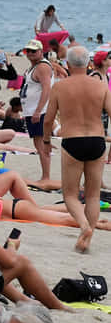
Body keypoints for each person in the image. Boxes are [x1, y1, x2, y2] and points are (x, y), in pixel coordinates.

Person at [43, 45, 111, 252]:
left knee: (71, 195)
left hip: (72, 141)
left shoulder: (60, 87)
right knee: (93, 195)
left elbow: (48, 119)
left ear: (67, 64)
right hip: (97, 140)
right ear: (89, 64)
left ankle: (84, 227)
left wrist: (46, 141)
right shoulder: (101, 86)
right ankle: (87, 236)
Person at [20, 38, 57, 190]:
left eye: (33, 51)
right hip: (32, 111)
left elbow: (47, 89)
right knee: (38, 143)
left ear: (41, 52)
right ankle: (45, 175)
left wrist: (37, 110)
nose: (30, 53)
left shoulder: (42, 67)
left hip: (39, 112)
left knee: (41, 144)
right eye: (27, 51)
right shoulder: (33, 67)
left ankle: (46, 177)